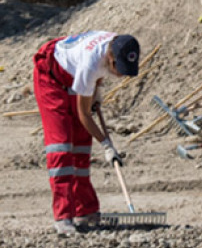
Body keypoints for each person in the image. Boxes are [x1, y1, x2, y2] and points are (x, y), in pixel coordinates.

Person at [33, 31, 140, 236]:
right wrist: (107, 145)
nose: (120, 75)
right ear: (111, 59)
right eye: (120, 69)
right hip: (50, 77)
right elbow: (84, 115)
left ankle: (86, 211)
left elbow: (97, 76)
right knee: (61, 147)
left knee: (82, 145)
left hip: (72, 73)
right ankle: (63, 218)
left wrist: (95, 92)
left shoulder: (118, 45)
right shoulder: (91, 63)